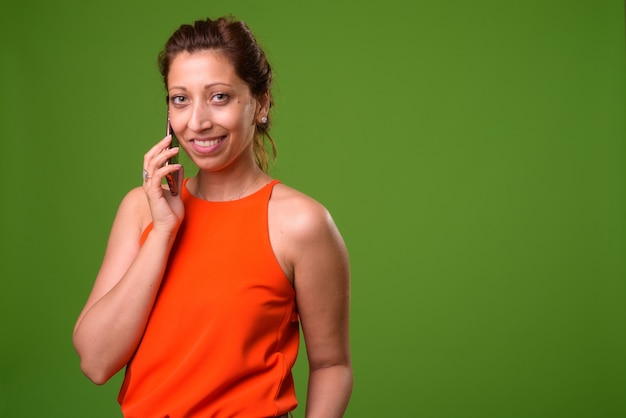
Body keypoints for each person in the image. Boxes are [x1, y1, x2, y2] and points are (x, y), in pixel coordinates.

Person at [72, 16, 352, 418]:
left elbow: (332, 365)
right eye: (180, 99)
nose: (197, 122)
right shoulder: (141, 210)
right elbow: (95, 362)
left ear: (261, 102)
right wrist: (163, 232)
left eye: (219, 96)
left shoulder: (301, 224)